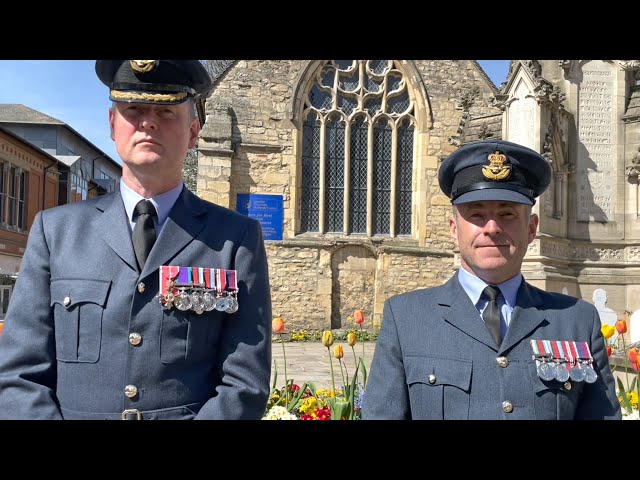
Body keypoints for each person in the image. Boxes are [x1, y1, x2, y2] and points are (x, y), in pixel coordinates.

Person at [0, 60, 272, 419]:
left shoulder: (234, 240)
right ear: (113, 124)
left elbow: (245, 384)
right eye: (134, 110)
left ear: (193, 133)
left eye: (166, 111)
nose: (148, 122)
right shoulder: (56, 233)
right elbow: (19, 376)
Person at [363, 139, 621, 420]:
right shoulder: (407, 319)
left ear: (531, 228)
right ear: (453, 230)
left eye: (507, 214)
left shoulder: (577, 320)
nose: (492, 228)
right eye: (476, 214)